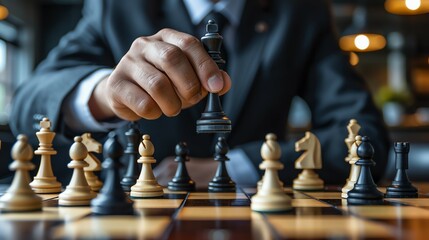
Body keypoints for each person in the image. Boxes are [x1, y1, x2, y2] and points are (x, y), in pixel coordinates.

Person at [10, 0, 390, 186]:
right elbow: (28, 102)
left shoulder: (300, 12)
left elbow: (364, 137)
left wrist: (235, 167)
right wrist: (104, 94)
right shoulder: (117, 5)